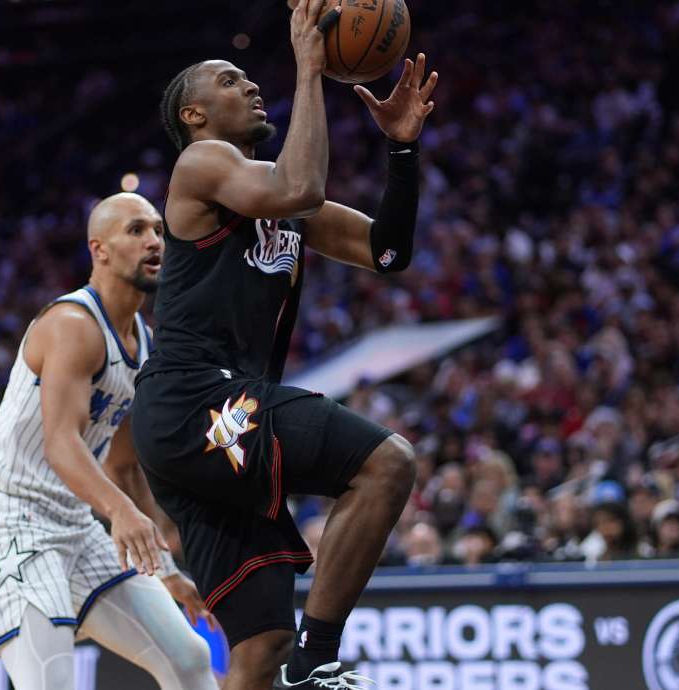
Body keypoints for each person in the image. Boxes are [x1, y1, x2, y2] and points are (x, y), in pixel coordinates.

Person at [135, 1, 437, 686]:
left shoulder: (279, 196)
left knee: (260, 644)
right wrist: (310, 66)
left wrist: (402, 148)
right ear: (194, 115)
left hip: (205, 422)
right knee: (387, 464)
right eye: (230, 80)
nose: (250, 85)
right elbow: (299, 183)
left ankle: (295, 659)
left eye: (249, 77)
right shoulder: (203, 164)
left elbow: (387, 252)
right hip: (196, 400)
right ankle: (319, 659)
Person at [0, 193, 218, 690]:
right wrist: (119, 512)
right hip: (9, 519)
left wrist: (162, 567)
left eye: (158, 230)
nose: (154, 241)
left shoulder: (144, 342)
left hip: (74, 524)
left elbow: (122, 466)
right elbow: (61, 442)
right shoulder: (74, 324)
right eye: (136, 230)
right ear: (100, 249)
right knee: (51, 681)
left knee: (188, 659)